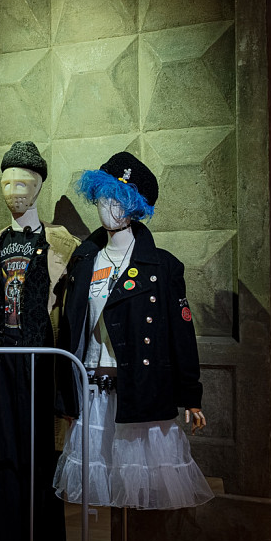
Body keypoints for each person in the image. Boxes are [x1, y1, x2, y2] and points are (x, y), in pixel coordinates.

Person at [52, 152, 211, 511]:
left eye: (120, 200)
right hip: (92, 392)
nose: (109, 208)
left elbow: (181, 335)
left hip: (140, 390)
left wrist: (192, 395)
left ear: (135, 207)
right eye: (104, 196)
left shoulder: (163, 266)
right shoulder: (84, 261)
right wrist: (66, 397)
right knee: (103, 482)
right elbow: (70, 332)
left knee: (140, 488)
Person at [0, 142, 78, 541]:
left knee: (40, 455)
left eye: (23, 183)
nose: (14, 191)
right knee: (0, 453)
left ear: (39, 187)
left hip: (40, 366)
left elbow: (71, 313)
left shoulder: (63, 245)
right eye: (7, 183)